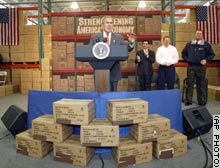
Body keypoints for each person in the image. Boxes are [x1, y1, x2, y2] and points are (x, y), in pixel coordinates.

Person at [89, 15, 135, 92]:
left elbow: (127, 48)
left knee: (113, 96)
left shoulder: (118, 37)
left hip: (114, 71)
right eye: (107, 23)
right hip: (100, 72)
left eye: (111, 23)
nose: (109, 25)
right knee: (100, 94)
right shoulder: (95, 37)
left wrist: (131, 43)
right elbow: (89, 51)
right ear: (102, 25)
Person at [182, 30, 215, 106]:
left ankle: (201, 101)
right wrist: (188, 59)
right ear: (195, 35)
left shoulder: (206, 45)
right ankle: (188, 100)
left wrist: (206, 60)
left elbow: (212, 54)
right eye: (197, 34)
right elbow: (183, 54)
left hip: (201, 67)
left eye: (200, 34)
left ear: (202, 35)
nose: (199, 35)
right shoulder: (189, 44)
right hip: (191, 67)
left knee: (201, 84)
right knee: (190, 84)